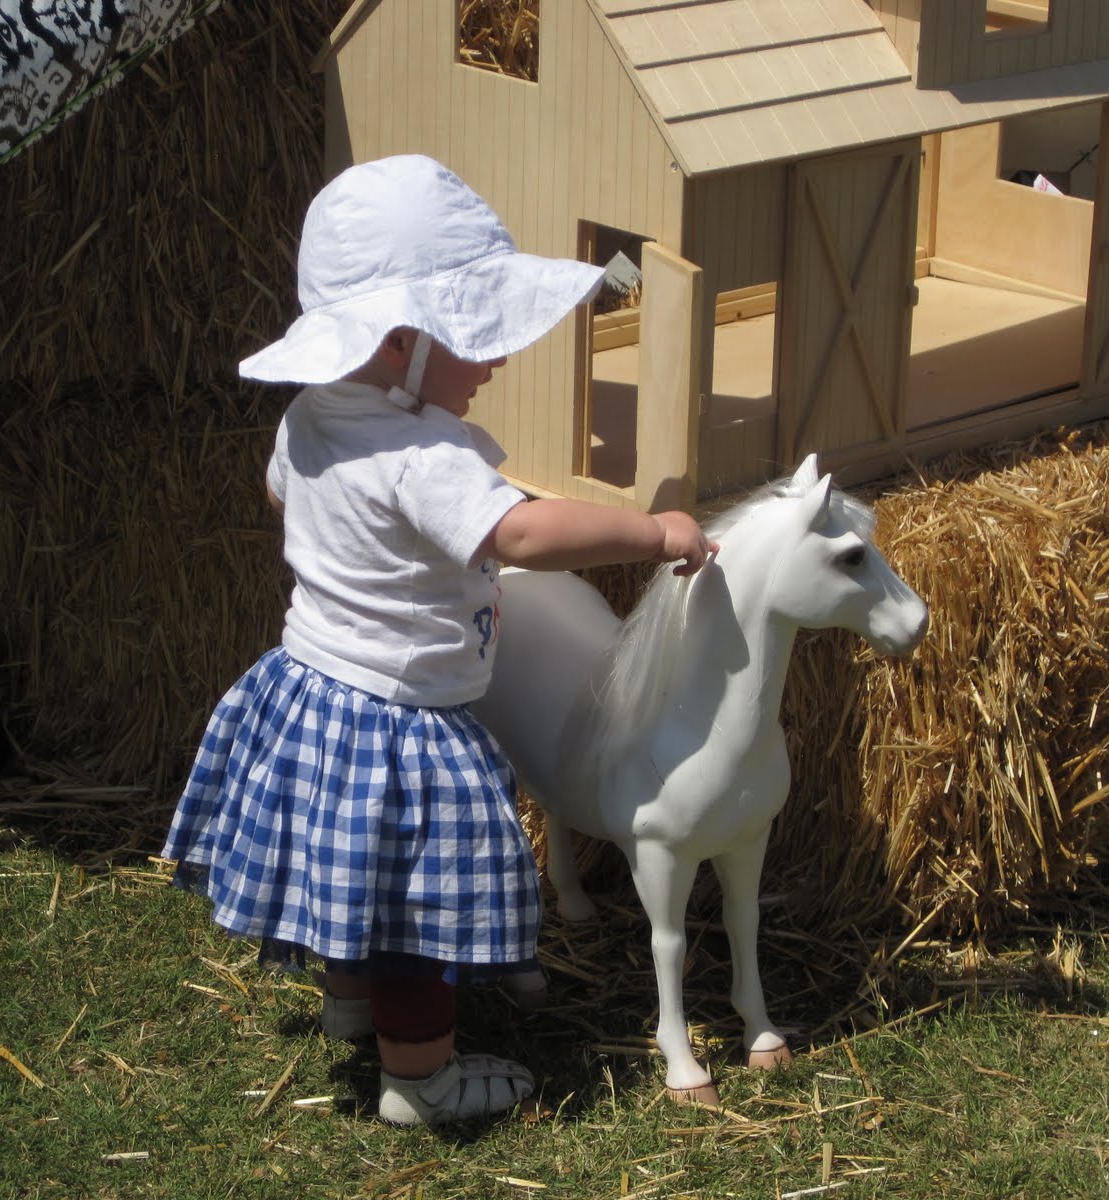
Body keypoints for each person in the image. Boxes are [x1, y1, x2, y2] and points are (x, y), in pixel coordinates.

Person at [162, 154, 716, 1128]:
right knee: (412, 912)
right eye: (477, 339)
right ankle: (420, 1078)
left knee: (347, 869)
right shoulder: (426, 455)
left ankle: (347, 1004)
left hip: (305, 690)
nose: (497, 359)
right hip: (400, 722)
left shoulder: (308, 418)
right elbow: (521, 535)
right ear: (402, 344)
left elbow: (278, 493)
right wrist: (652, 531)